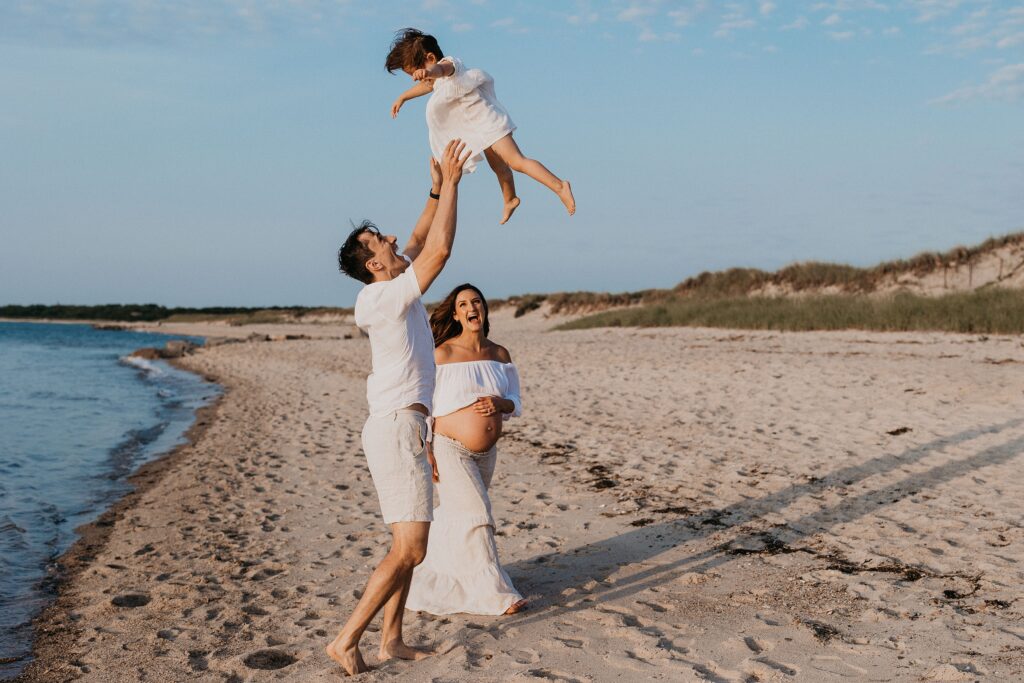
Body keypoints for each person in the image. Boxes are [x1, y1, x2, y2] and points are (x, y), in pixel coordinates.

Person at [326, 138, 470, 676]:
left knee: (406, 544)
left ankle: (391, 640)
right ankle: (346, 639)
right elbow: (438, 252)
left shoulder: (390, 283)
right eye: (378, 241)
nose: (391, 239)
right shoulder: (381, 297)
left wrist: (435, 187)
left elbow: (415, 237)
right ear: (372, 264)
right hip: (394, 427)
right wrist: (454, 183)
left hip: (403, 424)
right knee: (411, 550)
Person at [405, 283, 527, 616]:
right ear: (456, 314)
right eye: (463, 304)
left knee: (460, 516)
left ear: (484, 310)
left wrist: (500, 403)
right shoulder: (441, 353)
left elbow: (515, 402)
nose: (471, 307)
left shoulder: (500, 355)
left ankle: (426, 577)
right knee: (478, 514)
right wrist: (426, 447)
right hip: (449, 448)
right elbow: (425, 405)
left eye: (476, 302)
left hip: (486, 454)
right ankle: (497, 594)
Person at [386, 28, 575, 225]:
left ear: (431, 58)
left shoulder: (449, 65)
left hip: (489, 122)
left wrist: (429, 72)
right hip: (478, 129)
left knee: (516, 161)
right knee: (499, 168)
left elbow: (439, 71)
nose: (417, 78)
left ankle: (560, 186)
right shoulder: (435, 80)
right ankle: (510, 199)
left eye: (416, 72)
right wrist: (403, 97)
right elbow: (426, 86)